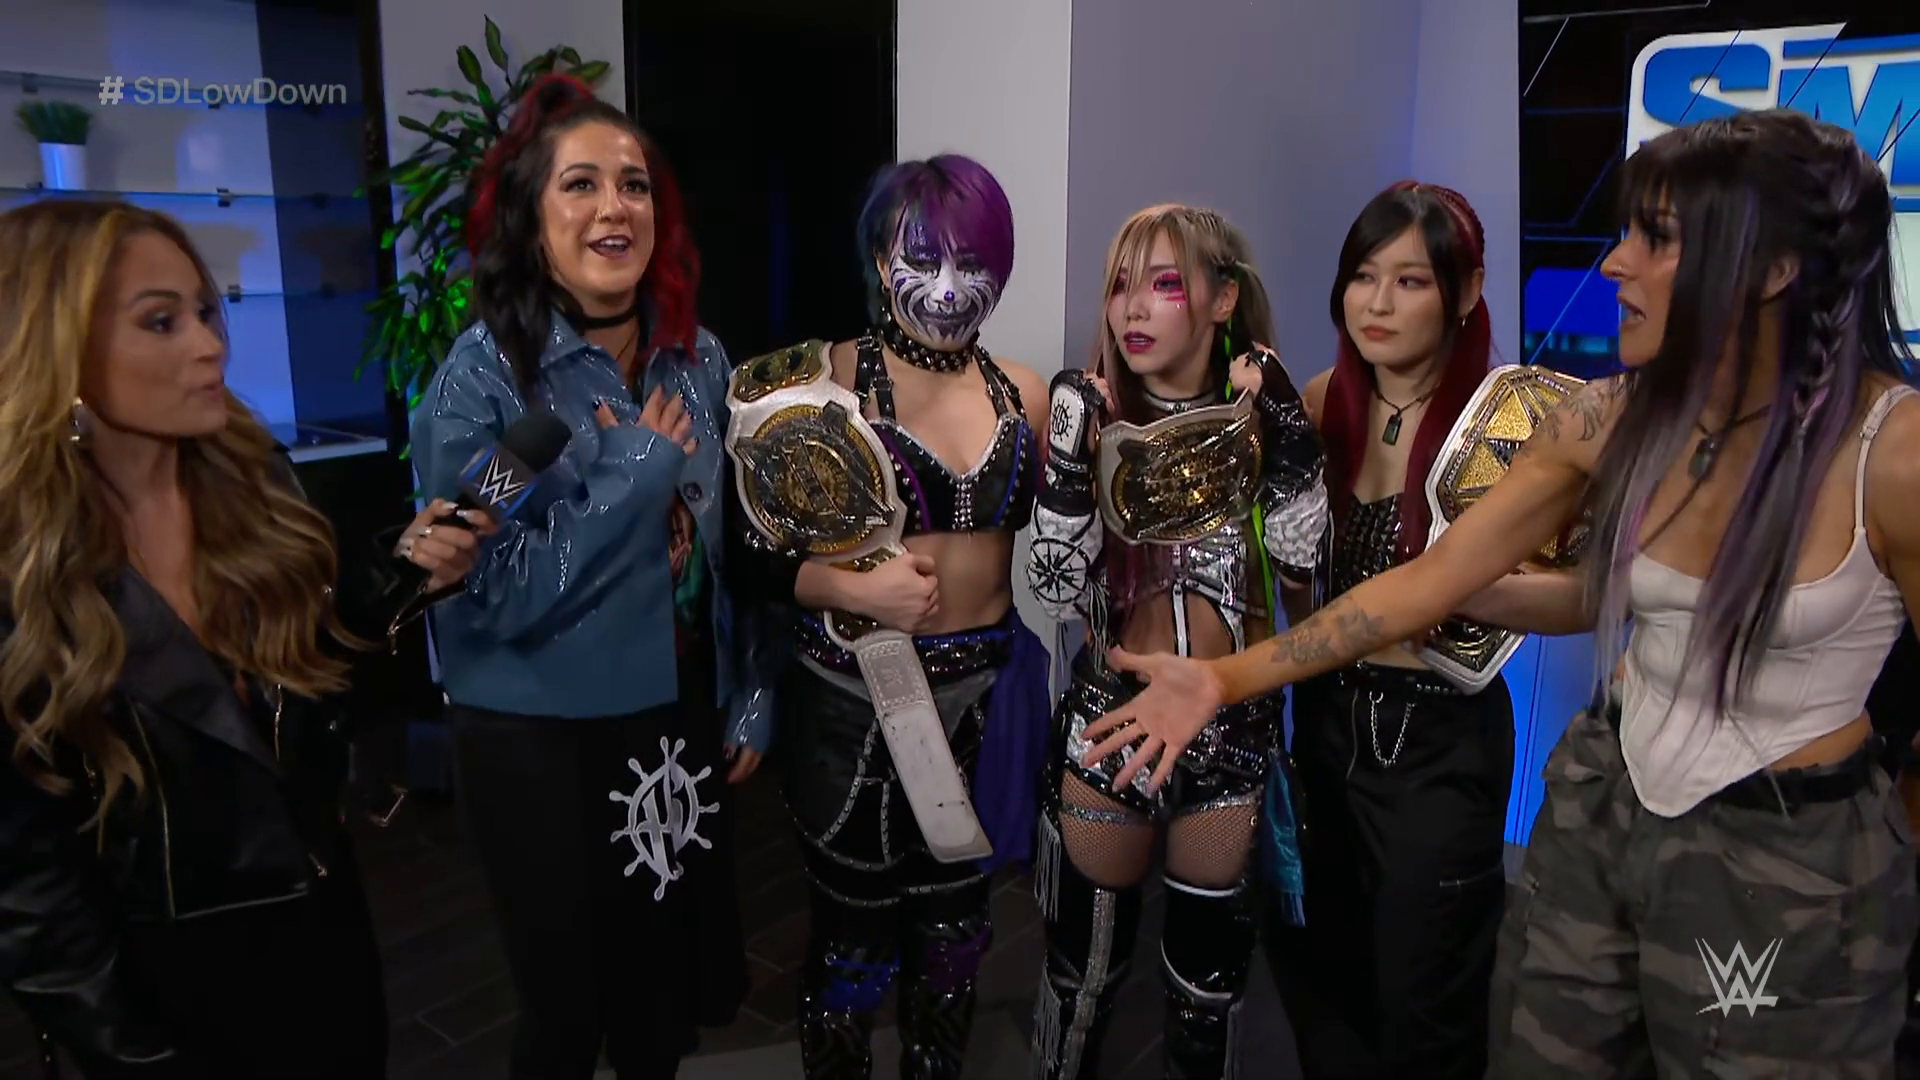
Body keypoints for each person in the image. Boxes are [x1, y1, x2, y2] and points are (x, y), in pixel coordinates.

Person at [1080, 108, 1920, 1073]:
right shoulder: (1607, 417)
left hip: (1793, 841)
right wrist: (1223, 680)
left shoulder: (1892, 452)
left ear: (1772, 267)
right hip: (1603, 797)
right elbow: (1429, 581)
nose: (1615, 265)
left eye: (1656, 239)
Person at [0, 199, 488, 1078]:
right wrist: (137, 1058)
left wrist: (404, 577)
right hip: (166, 1007)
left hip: (326, 957)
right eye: (161, 321)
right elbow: (32, 900)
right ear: (56, 348)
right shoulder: (20, 577)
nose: (210, 345)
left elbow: (311, 674)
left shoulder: (256, 482)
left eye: (206, 311)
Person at [408, 75, 770, 1080]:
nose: (616, 206)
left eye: (634, 184)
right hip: (541, 739)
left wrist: (751, 688)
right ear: (530, 220)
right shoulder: (493, 383)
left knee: (664, 1001)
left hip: (672, 712)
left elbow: (736, 547)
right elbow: (491, 588)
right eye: (580, 185)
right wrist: (629, 478)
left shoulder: (696, 363)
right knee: (565, 1013)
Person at [727, 154, 1050, 1080]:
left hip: (983, 700)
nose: (948, 288)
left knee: (955, 937)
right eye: (924, 256)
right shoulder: (807, 388)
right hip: (850, 700)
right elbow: (741, 558)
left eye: (973, 262)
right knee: (853, 941)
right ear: (880, 258)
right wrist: (848, 589)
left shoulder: (1025, 393)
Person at [1022, 204, 1328, 1078]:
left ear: (1222, 299)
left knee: (1206, 996)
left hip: (1228, 732)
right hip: (1110, 723)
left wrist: (1288, 436)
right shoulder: (1091, 413)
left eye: (1163, 284)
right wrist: (1072, 465)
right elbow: (1053, 593)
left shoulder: (1262, 420)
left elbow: (1306, 577)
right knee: (1081, 981)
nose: (1133, 307)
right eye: (1121, 284)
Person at [1250, 181, 1510, 1079]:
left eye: (1410, 281)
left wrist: (1470, 593)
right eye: (1364, 276)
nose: (1379, 303)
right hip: (1326, 723)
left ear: (1466, 291)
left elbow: (1568, 589)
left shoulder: (1502, 424)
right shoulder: (1325, 400)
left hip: (1440, 738)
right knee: (1325, 985)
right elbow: (1301, 595)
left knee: (1423, 1003)